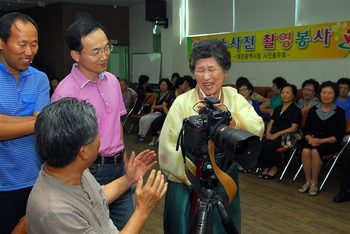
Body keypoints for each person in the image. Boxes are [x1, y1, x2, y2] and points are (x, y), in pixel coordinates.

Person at [158, 39, 264, 234]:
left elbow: (258, 126)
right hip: (187, 178)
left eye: (212, 69)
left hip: (224, 174)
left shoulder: (234, 98)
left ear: (225, 70)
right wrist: (193, 176)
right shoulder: (182, 103)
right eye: (200, 70)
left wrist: (231, 122)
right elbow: (167, 146)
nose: (206, 76)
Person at [26, 97, 167, 233]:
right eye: (96, 134)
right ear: (83, 152)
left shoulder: (73, 169)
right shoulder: (56, 212)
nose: (100, 139)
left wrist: (128, 179)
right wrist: (142, 211)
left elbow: (97, 198)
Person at [51, 18, 133, 230]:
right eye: (95, 51)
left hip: (119, 168)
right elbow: (65, 148)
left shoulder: (113, 81)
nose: (104, 56)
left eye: (107, 48)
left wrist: (123, 159)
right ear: (75, 55)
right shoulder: (65, 93)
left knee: (128, 227)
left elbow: (116, 124)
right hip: (90, 172)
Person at [0, 12, 50, 233]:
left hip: (36, 181)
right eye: (22, 44)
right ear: (1, 43)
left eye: (34, 44)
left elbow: (44, 124)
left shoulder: (40, 78)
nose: (29, 52)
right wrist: (37, 121)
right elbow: (41, 121)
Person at [298, 81, 345, 196]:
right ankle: (307, 181)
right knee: (305, 150)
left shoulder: (339, 112)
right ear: (320, 94)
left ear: (335, 95)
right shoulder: (313, 110)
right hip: (313, 140)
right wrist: (310, 139)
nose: (326, 95)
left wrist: (321, 141)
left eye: (330, 93)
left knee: (315, 151)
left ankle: (315, 182)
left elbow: (338, 136)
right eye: (324, 92)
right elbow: (306, 130)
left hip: (330, 142)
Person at [257, 83, 302, 179]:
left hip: (285, 137)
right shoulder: (277, 109)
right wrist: (268, 133)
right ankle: (265, 167)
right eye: (283, 93)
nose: (285, 95)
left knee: (268, 147)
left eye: (287, 93)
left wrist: (277, 134)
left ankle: (273, 168)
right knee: (259, 144)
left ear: (293, 95)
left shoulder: (296, 110)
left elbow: (293, 128)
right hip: (272, 134)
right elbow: (271, 122)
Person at [148, 77, 187, 146]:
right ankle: (154, 139)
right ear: (179, 85)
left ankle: (165, 137)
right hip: (168, 113)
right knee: (155, 123)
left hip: (179, 116)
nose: (186, 86)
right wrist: (169, 114)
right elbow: (164, 105)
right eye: (185, 84)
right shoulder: (171, 93)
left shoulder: (185, 95)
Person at [134, 78, 173, 143]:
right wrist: (151, 111)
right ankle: (140, 134)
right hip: (155, 112)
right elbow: (154, 104)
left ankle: (143, 136)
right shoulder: (159, 94)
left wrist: (155, 107)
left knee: (148, 120)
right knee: (143, 119)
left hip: (161, 113)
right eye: (161, 85)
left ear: (168, 86)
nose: (162, 87)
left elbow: (164, 105)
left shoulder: (169, 94)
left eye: (164, 85)